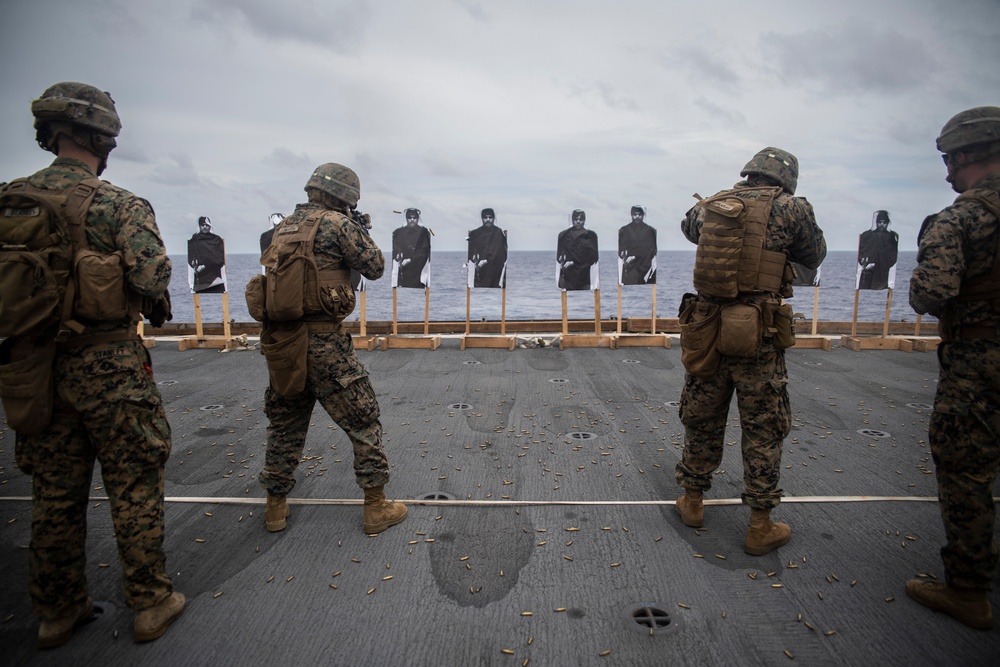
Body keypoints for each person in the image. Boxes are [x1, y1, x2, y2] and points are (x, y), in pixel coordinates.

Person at [2, 82, 183, 647]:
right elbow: (152, 279)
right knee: (133, 481)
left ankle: (57, 611)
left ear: (48, 134)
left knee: (54, 491)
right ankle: (150, 602)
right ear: (101, 138)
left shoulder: (10, 201)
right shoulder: (119, 204)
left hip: (34, 370)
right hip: (109, 365)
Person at [675, 147, 826, 556]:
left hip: (707, 326)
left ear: (749, 174)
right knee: (763, 425)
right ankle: (760, 525)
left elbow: (689, 228)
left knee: (702, 413)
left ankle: (692, 501)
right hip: (757, 331)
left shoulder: (712, 203)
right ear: (785, 179)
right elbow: (814, 255)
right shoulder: (792, 209)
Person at [259, 163, 407, 535]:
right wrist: (357, 228)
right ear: (345, 197)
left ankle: (275, 507)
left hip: (285, 343)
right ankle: (376, 508)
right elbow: (373, 267)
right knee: (363, 420)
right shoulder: (339, 225)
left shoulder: (284, 227)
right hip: (325, 343)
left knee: (285, 425)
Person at [906, 106, 1000, 631]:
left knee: (966, 467)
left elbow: (930, 295)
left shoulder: (962, 217)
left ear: (965, 154)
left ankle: (968, 589)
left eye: (948, 158)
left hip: (980, 360)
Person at [557, 209, 599, 290]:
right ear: (572, 220)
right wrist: (564, 261)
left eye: (581, 219)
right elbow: (559, 256)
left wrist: (574, 262)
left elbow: (593, 258)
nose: (578, 221)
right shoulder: (563, 235)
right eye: (576, 219)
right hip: (568, 277)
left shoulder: (591, 235)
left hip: (583, 277)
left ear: (584, 220)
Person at [857, 210, 899, 290]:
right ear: (876, 222)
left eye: (884, 222)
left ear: (887, 223)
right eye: (880, 222)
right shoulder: (867, 235)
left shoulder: (891, 237)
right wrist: (867, 264)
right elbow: (862, 252)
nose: (882, 224)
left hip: (883, 272)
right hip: (868, 272)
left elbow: (893, 256)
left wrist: (881, 265)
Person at [467, 207, 508, 288]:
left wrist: (486, 260)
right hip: (479, 269)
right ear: (482, 218)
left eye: (490, 217)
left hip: (494, 268)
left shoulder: (498, 232)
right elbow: (471, 249)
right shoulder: (475, 233)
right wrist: (474, 257)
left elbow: (500, 252)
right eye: (485, 217)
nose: (488, 219)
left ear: (493, 218)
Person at [391, 208, 431, 288]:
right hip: (403, 271)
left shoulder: (424, 232)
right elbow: (395, 248)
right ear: (406, 218)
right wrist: (397, 255)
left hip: (418, 270)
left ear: (417, 218)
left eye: (414, 217)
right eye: (409, 217)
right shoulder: (398, 232)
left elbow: (424, 252)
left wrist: (411, 260)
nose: (412, 220)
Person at [618, 205, 657, 285]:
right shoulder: (624, 230)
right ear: (631, 215)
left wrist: (635, 256)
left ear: (643, 216)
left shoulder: (649, 230)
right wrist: (623, 255)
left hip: (644, 265)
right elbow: (621, 247)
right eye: (635, 215)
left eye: (639, 215)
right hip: (628, 266)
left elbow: (652, 250)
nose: (637, 217)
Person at [187, 216, 226, 293]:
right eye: (202, 225)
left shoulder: (217, 240)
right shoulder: (194, 240)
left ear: (210, 226)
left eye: (207, 225)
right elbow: (191, 257)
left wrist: (205, 266)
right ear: (199, 226)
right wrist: (195, 265)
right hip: (200, 278)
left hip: (215, 278)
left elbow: (220, 260)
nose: (205, 227)